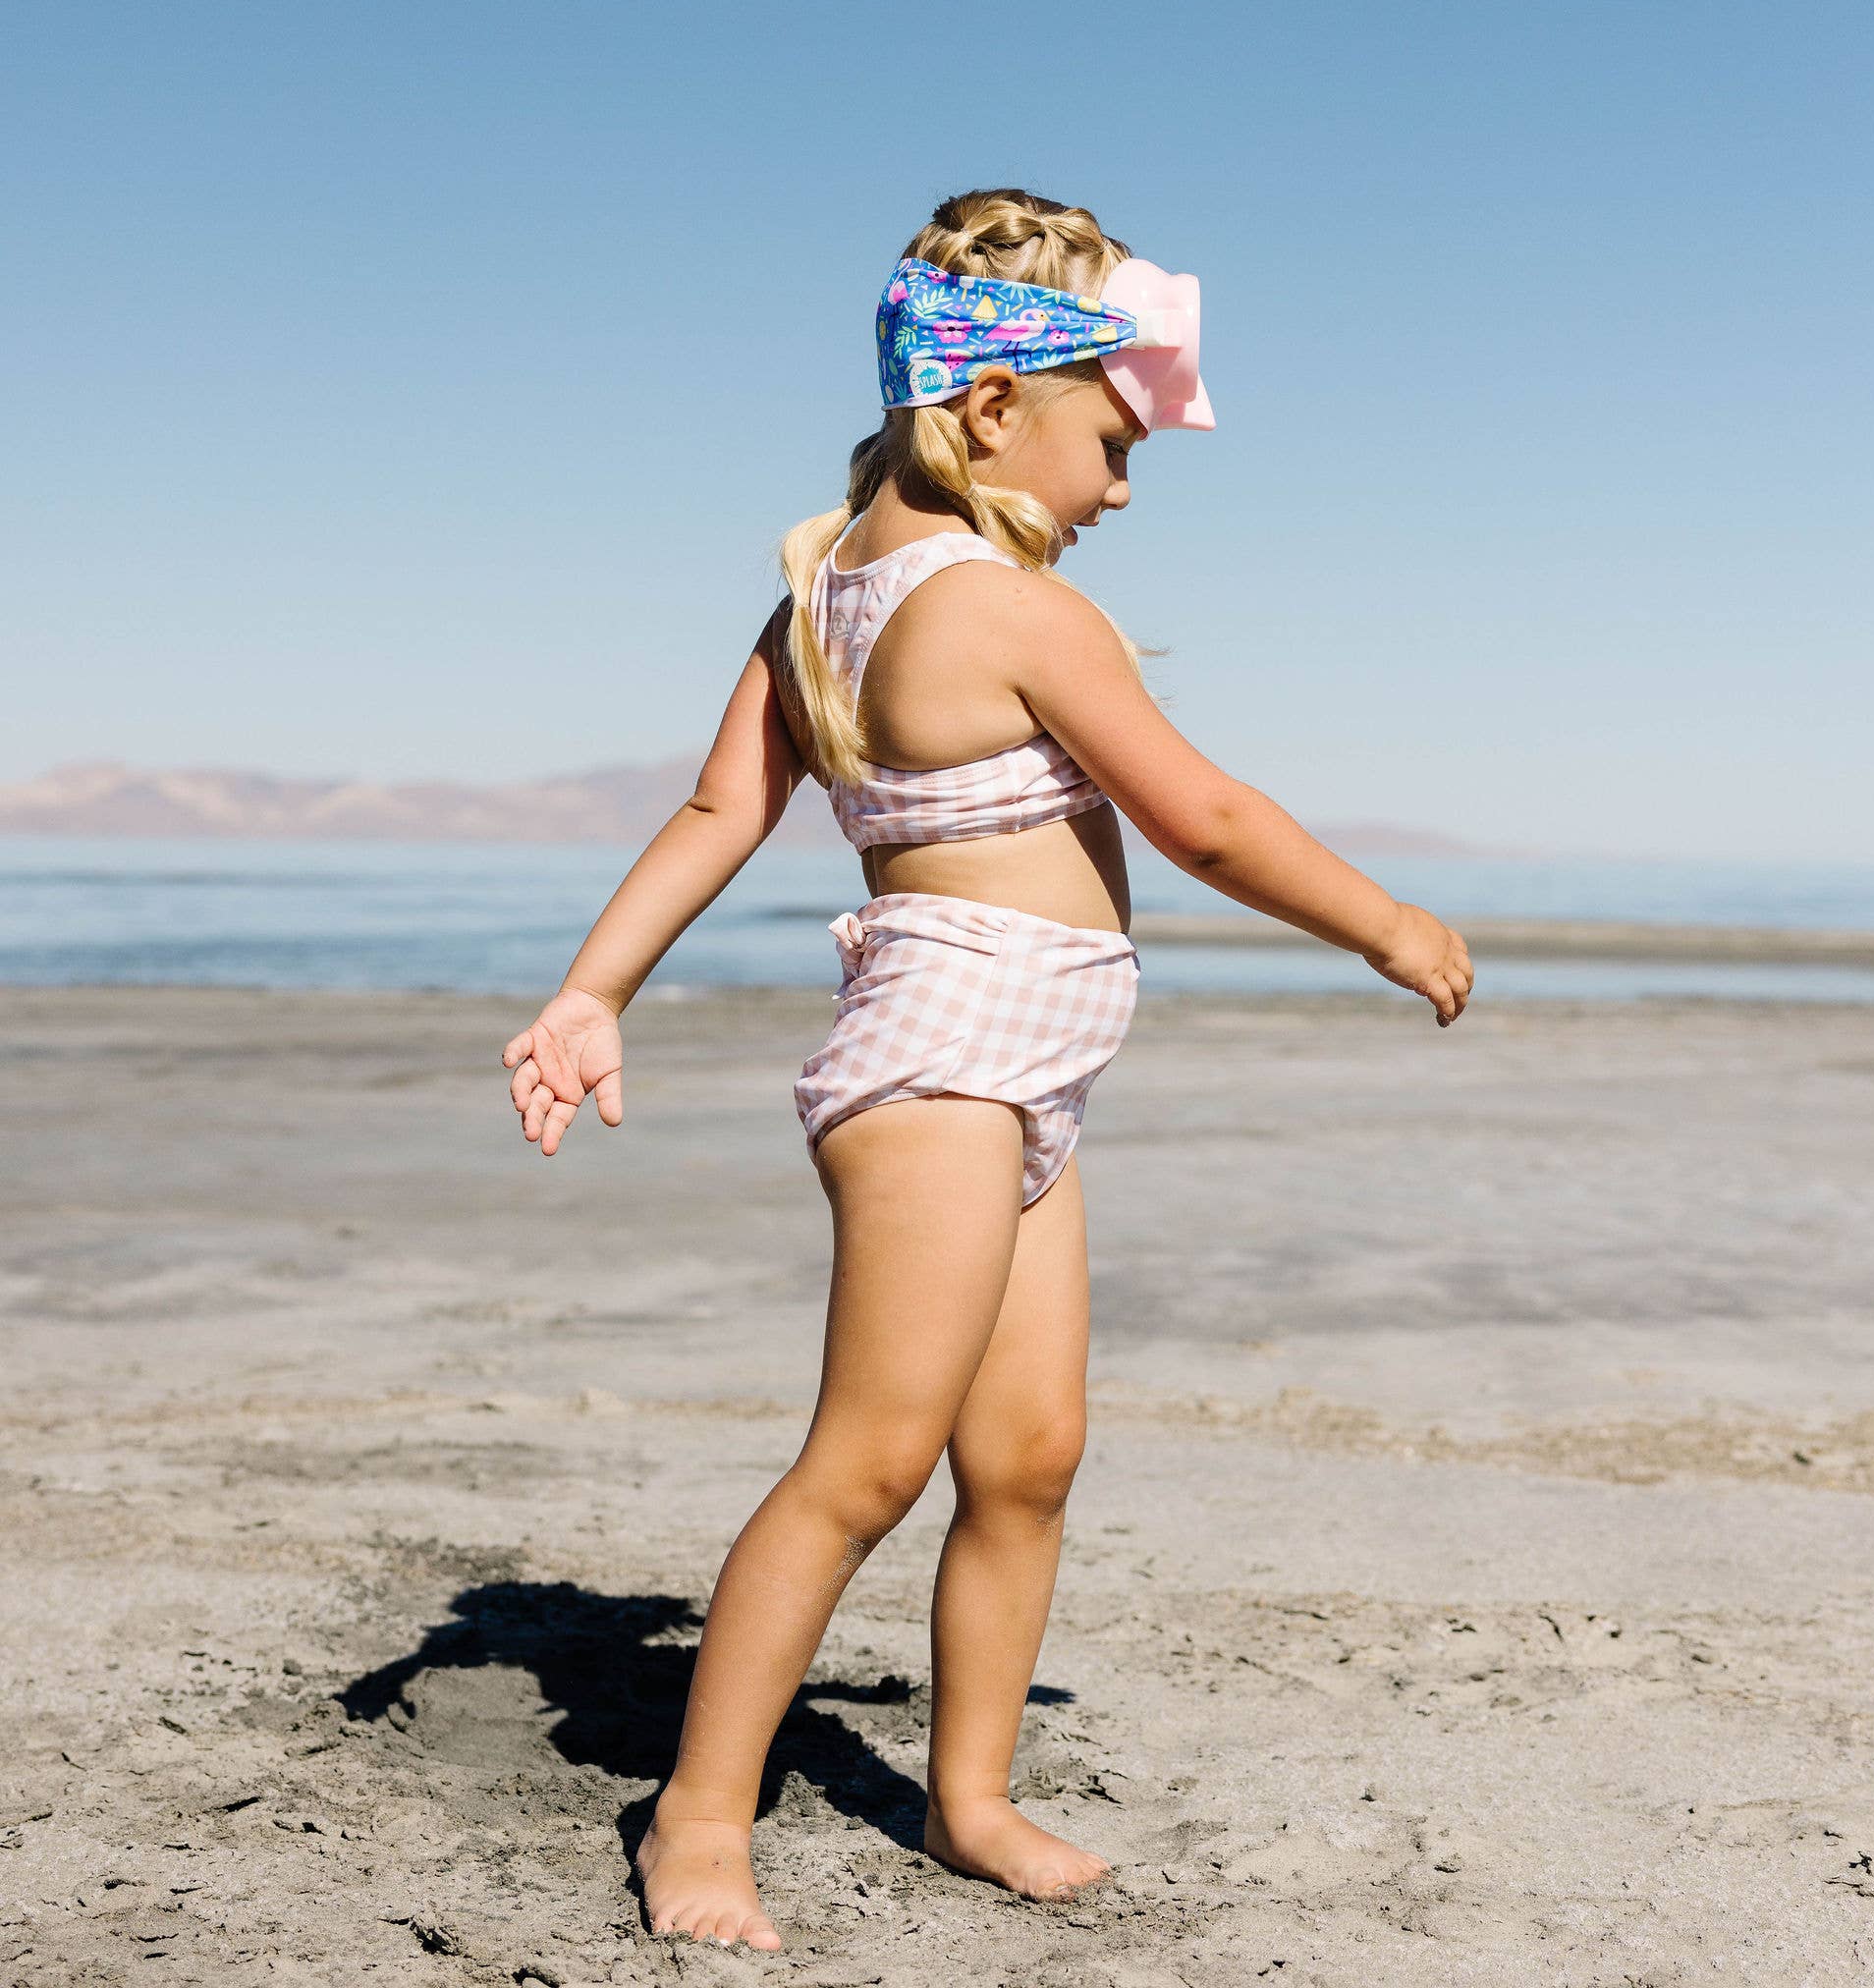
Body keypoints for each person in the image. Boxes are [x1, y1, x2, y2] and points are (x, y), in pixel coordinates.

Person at [500, 187, 1473, 1953]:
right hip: (944, 1064)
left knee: (1028, 1455)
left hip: (1029, 1064)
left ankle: (969, 1796)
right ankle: (697, 1819)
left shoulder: (820, 600)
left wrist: (595, 990)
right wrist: (1385, 922)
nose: (1123, 489)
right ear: (993, 404)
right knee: (869, 1462)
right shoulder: (1005, 611)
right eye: (1115, 443)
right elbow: (1207, 819)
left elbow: (718, 811)